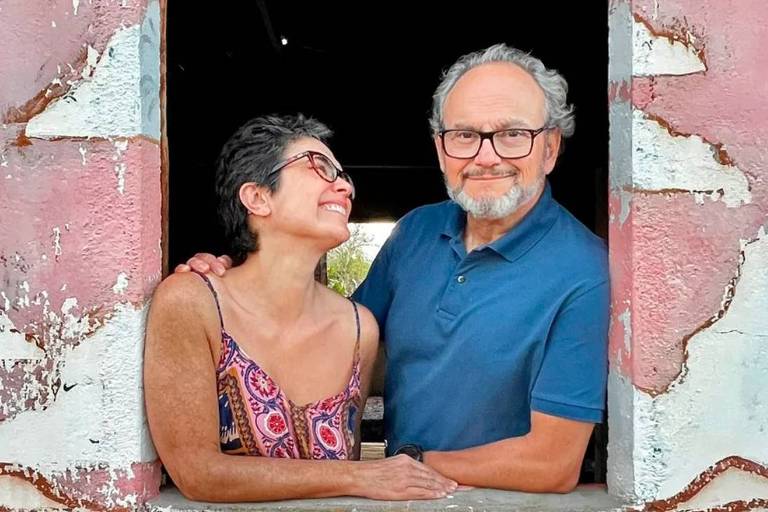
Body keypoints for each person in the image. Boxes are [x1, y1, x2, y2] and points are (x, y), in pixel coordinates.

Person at [181, 43, 609, 494]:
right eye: (463, 135)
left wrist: (410, 462)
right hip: (399, 500)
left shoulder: (583, 269)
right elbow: (331, 338)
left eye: (512, 134)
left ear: (550, 148)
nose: (485, 157)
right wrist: (235, 284)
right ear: (441, 150)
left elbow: (552, 463)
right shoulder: (416, 232)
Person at [144, 114, 457, 502]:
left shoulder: (359, 329)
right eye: (319, 167)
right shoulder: (193, 302)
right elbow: (197, 473)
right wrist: (359, 477)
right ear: (257, 197)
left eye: (343, 176)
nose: (344, 186)